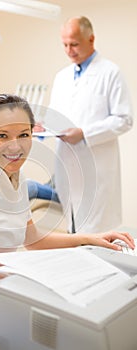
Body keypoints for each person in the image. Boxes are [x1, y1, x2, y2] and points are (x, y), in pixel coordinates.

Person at [0, 93, 135, 301]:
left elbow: (33, 239)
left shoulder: (15, 177)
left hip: (6, 289)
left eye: (24, 135)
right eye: (2, 136)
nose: (15, 146)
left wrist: (89, 239)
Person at [49, 16, 133, 233]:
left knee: (98, 232)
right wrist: (43, 127)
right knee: (73, 228)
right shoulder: (62, 77)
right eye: (65, 45)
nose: (69, 50)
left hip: (98, 164)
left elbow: (124, 119)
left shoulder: (110, 73)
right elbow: (55, 116)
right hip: (67, 162)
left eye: (74, 44)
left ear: (91, 39)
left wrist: (84, 133)